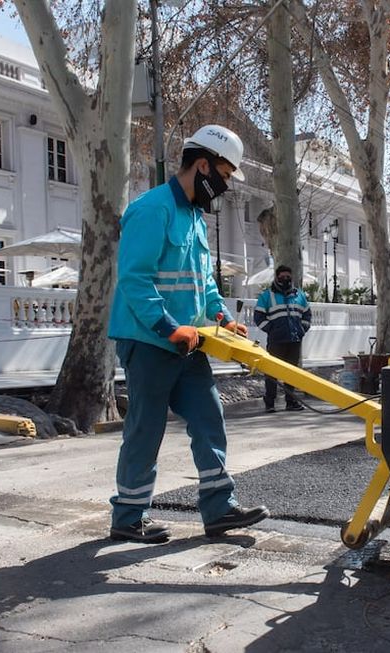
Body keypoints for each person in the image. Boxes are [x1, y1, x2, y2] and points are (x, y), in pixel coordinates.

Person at [107, 124, 269, 543]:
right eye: (226, 175)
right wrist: (168, 327)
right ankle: (127, 517)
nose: (226, 185)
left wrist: (220, 316)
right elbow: (135, 279)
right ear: (202, 166)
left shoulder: (196, 217)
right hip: (149, 341)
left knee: (208, 418)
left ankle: (218, 509)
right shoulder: (151, 209)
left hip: (191, 341)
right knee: (145, 427)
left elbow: (203, 283)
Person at [254, 264, 312, 413]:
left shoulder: (299, 296)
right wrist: (272, 330)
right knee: (272, 372)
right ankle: (270, 402)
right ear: (277, 278)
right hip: (276, 341)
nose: (285, 279)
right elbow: (259, 316)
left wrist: (302, 329)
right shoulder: (266, 296)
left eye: (288, 277)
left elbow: (307, 314)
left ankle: (291, 402)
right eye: (282, 277)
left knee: (292, 372)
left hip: (294, 340)